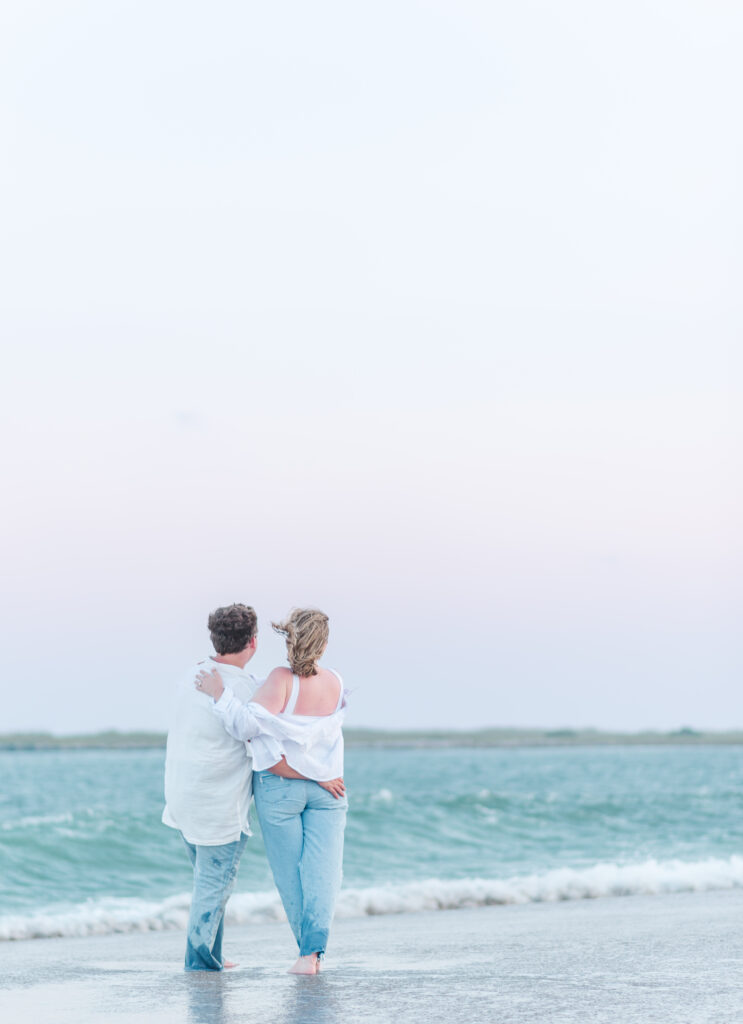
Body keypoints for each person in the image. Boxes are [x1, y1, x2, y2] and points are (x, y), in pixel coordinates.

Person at [162, 603, 343, 973]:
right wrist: (318, 775)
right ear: (253, 643)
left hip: (183, 797)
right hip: (222, 805)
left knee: (213, 882)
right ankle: (200, 964)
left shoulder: (192, 675)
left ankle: (215, 956)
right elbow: (255, 733)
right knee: (216, 885)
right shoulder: (251, 687)